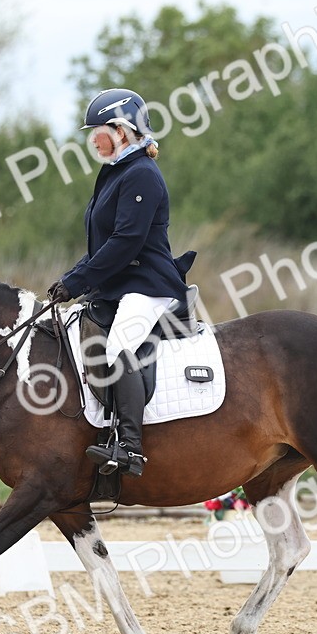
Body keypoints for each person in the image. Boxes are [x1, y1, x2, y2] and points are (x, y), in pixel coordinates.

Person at [47, 88, 195, 477]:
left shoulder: (142, 175)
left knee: (118, 347)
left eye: (100, 131)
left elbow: (126, 241)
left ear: (124, 130)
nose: (93, 139)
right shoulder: (115, 172)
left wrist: (78, 281)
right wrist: (69, 279)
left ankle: (130, 446)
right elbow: (102, 244)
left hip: (146, 284)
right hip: (118, 284)